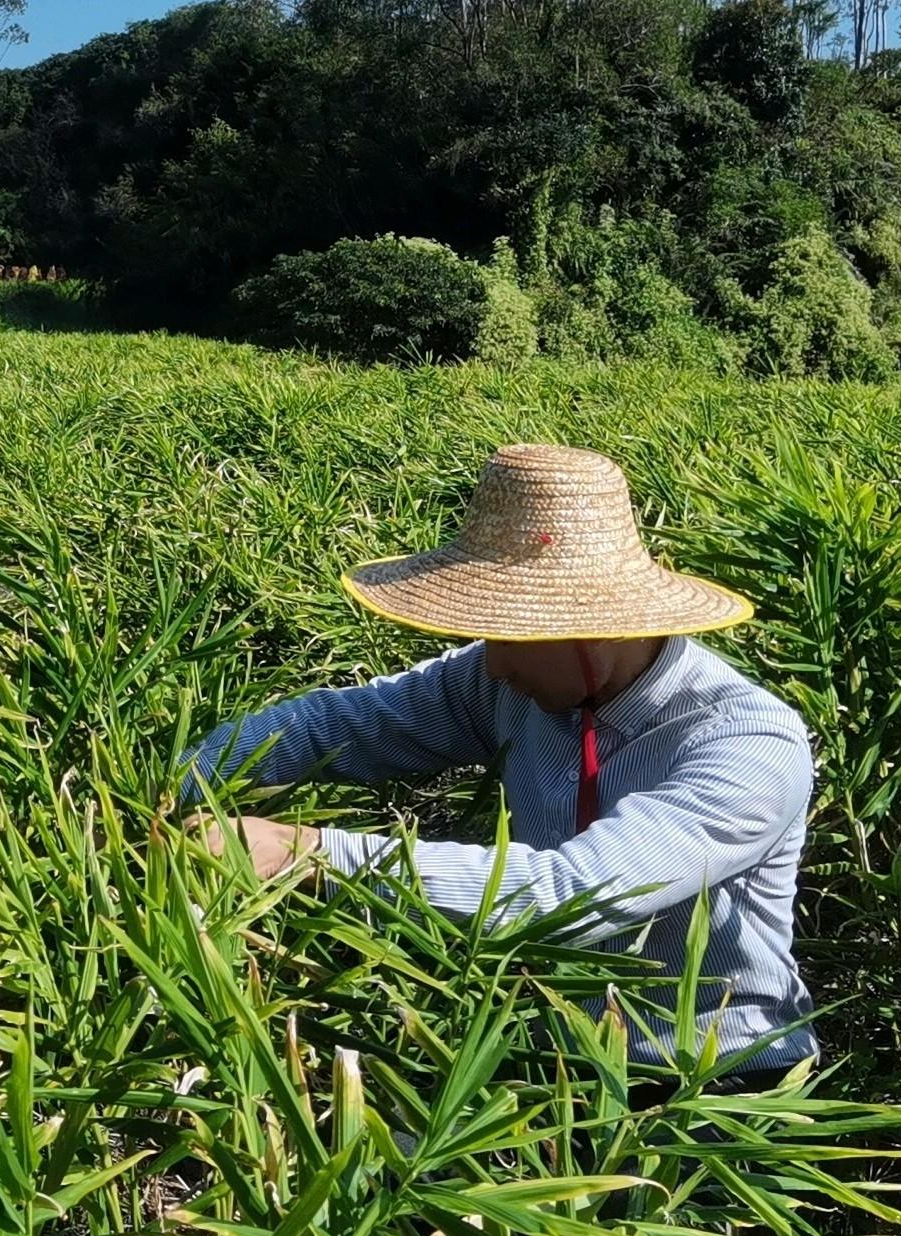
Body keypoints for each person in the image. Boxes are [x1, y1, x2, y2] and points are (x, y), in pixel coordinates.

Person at [182, 440, 818, 1078]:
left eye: (513, 633)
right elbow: (342, 722)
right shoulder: (502, 679)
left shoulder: (745, 744)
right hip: (549, 1053)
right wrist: (187, 777)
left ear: (598, 627)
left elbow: (567, 897)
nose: (495, 660)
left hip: (710, 1081)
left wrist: (305, 852)